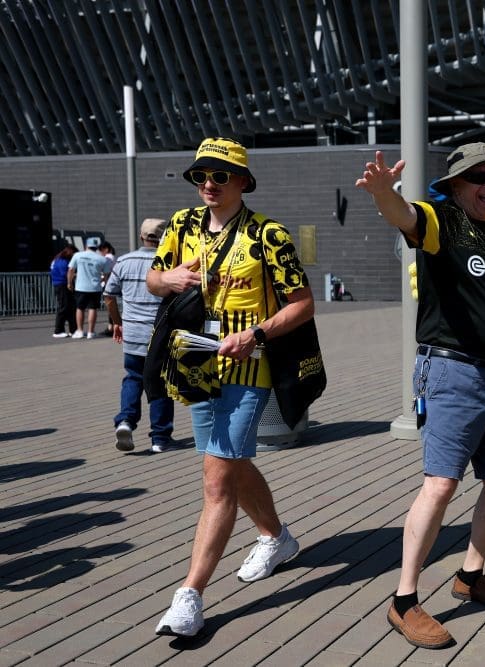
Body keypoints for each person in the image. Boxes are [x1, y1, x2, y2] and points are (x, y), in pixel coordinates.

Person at [355, 144, 485, 649]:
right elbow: (402, 215)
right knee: (441, 484)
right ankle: (404, 600)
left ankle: (470, 577)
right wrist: (386, 193)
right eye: (477, 178)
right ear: (454, 185)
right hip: (451, 371)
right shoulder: (441, 220)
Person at [147, 138, 314, 638]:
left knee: (217, 477)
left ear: (243, 181)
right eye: (201, 176)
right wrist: (168, 278)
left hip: (250, 363)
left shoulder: (269, 235)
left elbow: (302, 303)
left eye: (219, 176)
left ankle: (190, 595)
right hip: (196, 360)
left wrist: (257, 333)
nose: (208, 185)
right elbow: (154, 279)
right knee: (231, 465)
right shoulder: (181, 226)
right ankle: (276, 537)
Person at [103, 218, 177, 453]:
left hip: (132, 332)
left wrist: (117, 322)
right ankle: (160, 437)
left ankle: (125, 421)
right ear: (164, 237)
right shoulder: (169, 263)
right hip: (160, 334)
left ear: (142, 235)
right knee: (160, 383)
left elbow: (109, 296)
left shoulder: (124, 261)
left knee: (133, 378)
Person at [67, 236, 112, 339]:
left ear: (86, 245)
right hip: (95, 287)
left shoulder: (78, 255)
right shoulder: (102, 259)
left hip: (81, 286)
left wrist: (69, 283)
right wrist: (103, 281)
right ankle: (91, 332)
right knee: (93, 308)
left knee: (80, 308)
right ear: (96, 247)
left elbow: (70, 270)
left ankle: (79, 330)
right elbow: (106, 275)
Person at [50, 243, 78, 338]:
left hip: (59, 284)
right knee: (64, 307)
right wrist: (76, 275)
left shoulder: (57, 260)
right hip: (62, 285)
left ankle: (73, 330)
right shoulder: (63, 261)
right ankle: (58, 330)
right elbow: (65, 274)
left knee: (70, 308)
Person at [99, 241, 117, 336]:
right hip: (112, 284)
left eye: (101, 250)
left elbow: (106, 273)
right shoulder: (113, 258)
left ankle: (112, 328)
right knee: (111, 306)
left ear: (106, 249)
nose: (100, 253)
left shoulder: (107, 258)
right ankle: (111, 326)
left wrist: (101, 278)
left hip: (107, 285)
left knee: (110, 306)